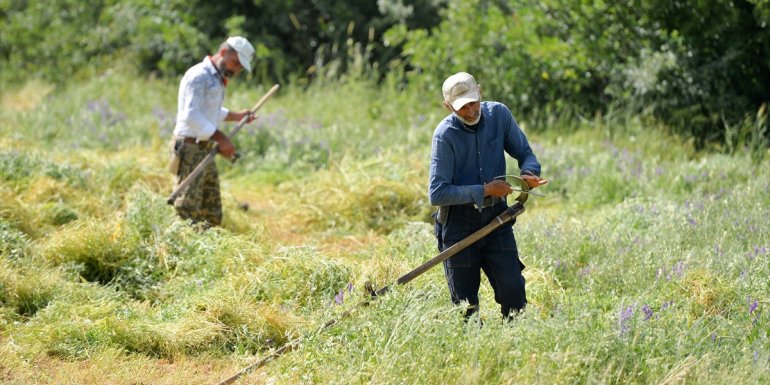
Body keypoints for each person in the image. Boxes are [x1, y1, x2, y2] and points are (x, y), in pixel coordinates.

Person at [429, 72, 548, 319]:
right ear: (448, 106)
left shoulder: (499, 115)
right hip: (458, 225)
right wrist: (484, 190)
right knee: (466, 309)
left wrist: (528, 173)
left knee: (514, 293)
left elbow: (526, 153)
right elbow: (438, 193)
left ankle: (513, 349)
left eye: (473, 103)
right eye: (462, 108)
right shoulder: (445, 136)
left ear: (480, 92)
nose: (471, 111)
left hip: (497, 219)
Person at [169, 36, 257, 227]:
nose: (236, 69)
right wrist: (221, 138)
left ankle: (207, 248)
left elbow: (209, 112)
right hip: (189, 148)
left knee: (211, 209)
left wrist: (237, 116)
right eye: (235, 63)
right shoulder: (199, 76)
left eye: (240, 67)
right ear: (224, 53)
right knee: (187, 208)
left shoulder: (217, 79)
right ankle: (180, 248)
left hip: (204, 147)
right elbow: (190, 115)